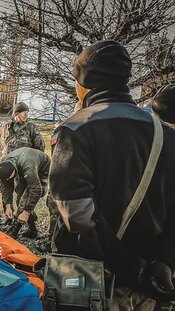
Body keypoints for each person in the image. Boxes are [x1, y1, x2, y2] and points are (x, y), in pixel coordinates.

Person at [50, 40, 175, 308]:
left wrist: (129, 266)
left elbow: (77, 212)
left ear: (84, 82)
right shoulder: (166, 134)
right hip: (149, 284)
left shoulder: (75, 130)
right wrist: (165, 261)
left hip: (88, 283)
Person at [0, 147, 50, 240]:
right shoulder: (4, 163)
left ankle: (14, 230)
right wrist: (8, 205)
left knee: (24, 201)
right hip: (23, 169)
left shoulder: (28, 167)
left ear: (14, 172)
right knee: (19, 199)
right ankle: (33, 231)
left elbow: (36, 190)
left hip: (42, 170)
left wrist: (26, 211)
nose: (9, 180)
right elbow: (6, 186)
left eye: (10, 178)